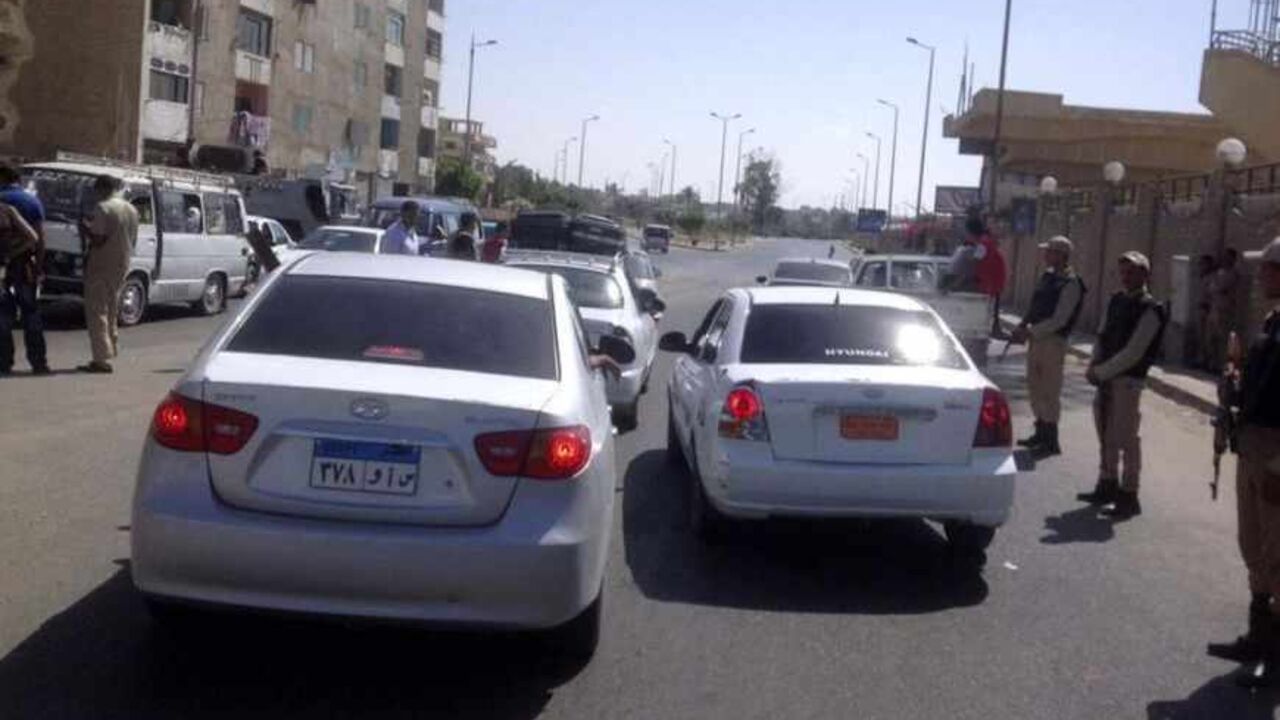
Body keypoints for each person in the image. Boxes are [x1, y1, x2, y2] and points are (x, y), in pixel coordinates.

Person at [1205, 237, 1280, 686]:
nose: (1262, 277)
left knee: (1278, 554)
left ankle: (1274, 655)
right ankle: (1257, 635)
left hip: (1276, 453)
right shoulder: (1272, 323)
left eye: (1269, 270)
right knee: (1253, 546)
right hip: (1252, 445)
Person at [1081, 251, 1168, 519]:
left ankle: (1129, 494)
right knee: (1105, 431)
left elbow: (1134, 352)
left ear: (1145, 274)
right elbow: (1102, 334)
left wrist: (1103, 371)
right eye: (1124, 271)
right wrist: (1093, 364)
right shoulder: (1115, 300)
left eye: (1132, 271)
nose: (1126, 276)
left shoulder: (1151, 309)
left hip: (1128, 380)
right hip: (1105, 377)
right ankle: (1107, 483)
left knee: (1126, 438)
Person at [1009, 236, 1086, 457]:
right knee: (1035, 387)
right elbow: (1035, 306)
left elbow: (1060, 319)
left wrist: (1030, 331)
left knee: (1049, 390)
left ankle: (1051, 439)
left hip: (1053, 341)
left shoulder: (1071, 283)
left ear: (1062, 255)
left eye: (1050, 252)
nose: (1046, 255)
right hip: (1036, 339)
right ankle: (1040, 432)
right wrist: (1022, 326)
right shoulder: (1048, 277)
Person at [77, 175, 139, 374]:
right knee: (112, 307)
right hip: (122, 263)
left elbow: (98, 239)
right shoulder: (131, 209)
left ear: (102, 189)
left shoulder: (103, 208)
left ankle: (101, 359)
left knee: (97, 310)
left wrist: (85, 228)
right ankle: (110, 348)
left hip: (102, 263)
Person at [0, 162, 49, 376]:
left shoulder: (4, 202)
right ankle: (38, 363)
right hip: (24, 266)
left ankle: (3, 361)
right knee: (31, 315)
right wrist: (38, 267)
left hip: (4, 267)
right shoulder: (31, 201)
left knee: (2, 316)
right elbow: (39, 239)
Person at [1208, 247, 1244, 373]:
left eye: (1228, 256)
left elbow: (1224, 287)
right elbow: (1212, 288)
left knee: (1224, 339)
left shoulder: (1234, 273)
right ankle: (1212, 363)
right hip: (1215, 308)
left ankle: (1222, 365)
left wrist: (1218, 288)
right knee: (1213, 337)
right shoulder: (1220, 272)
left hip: (1225, 309)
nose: (1225, 259)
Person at [1195, 253, 1219, 370]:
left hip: (1208, 309)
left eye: (1204, 264)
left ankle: (1209, 363)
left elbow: (1211, 294)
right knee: (1201, 337)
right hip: (1202, 308)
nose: (1201, 266)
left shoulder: (1212, 277)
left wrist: (1207, 307)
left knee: (1208, 338)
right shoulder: (1203, 277)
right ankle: (1201, 360)